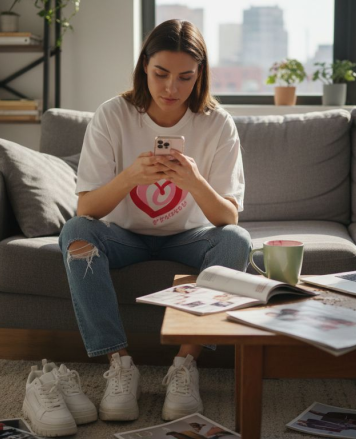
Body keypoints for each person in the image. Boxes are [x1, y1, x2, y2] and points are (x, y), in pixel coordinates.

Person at [58, 19, 251, 424]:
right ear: (145, 65)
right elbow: (86, 209)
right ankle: (120, 364)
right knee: (75, 233)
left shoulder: (217, 123)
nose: (170, 88)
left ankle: (185, 364)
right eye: (161, 73)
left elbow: (227, 217)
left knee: (237, 239)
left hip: (190, 238)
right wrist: (131, 177)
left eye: (185, 77)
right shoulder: (113, 114)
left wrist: (195, 182)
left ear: (199, 76)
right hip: (123, 237)